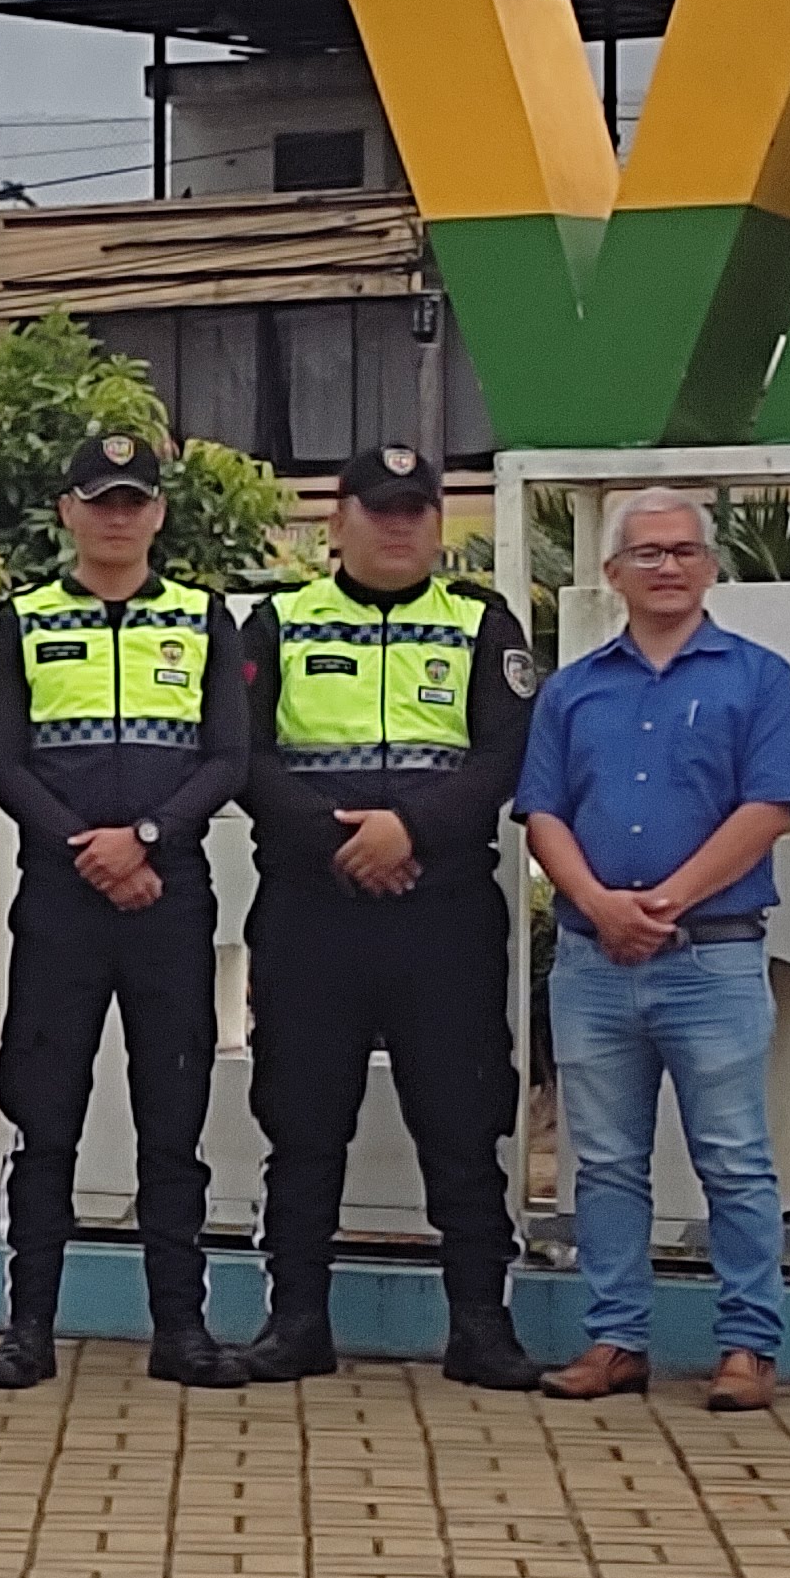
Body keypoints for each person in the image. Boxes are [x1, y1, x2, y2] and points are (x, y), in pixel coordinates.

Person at [236, 441, 546, 1389]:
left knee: (463, 1120)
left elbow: (505, 755)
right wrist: (335, 842)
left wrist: (409, 830)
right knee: (302, 1120)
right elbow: (242, 754)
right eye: (380, 510)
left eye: (417, 510)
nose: (400, 527)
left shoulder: (482, 623)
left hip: (441, 912)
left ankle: (481, 1327)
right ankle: (296, 1322)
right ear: (338, 522)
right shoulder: (279, 622)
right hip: (311, 910)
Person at [518, 488, 790, 1410]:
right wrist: (598, 906)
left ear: (711, 566)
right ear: (612, 574)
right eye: (647, 553)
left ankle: (748, 1349)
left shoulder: (760, 679)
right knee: (605, 1163)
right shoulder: (572, 690)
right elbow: (542, 814)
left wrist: (663, 902)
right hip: (593, 962)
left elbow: (770, 806)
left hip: (710, 959)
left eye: (684, 550)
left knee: (734, 1156)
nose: (668, 567)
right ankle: (616, 1341)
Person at [0, 432, 251, 1391]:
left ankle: (182, 1329)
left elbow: (227, 758)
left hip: (169, 896)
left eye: (135, 501)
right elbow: (3, 763)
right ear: (68, 512)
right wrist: (88, 850)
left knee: (172, 1120)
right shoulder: (23, 621)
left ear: (159, 513)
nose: (118, 517)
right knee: (45, 1115)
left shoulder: (203, 618)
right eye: (101, 501)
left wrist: (146, 838)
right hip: (61, 899)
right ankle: (28, 1330)